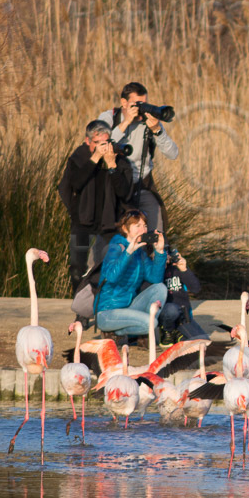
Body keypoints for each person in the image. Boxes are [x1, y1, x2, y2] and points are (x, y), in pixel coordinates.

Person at [58, 120, 135, 290]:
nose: (103, 147)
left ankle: (103, 301)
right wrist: (94, 159)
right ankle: (79, 302)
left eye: (106, 142)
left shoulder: (119, 159)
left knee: (110, 265)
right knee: (77, 268)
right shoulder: (79, 158)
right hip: (82, 222)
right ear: (88, 141)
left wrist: (112, 166)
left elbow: (124, 193)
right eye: (98, 143)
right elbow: (73, 184)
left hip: (110, 223)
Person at [95, 82, 178, 234]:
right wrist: (125, 122)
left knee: (156, 232)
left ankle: (156, 248)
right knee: (110, 235)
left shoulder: (149, 121)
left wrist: (157, 131)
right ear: (124, 103)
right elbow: (100, 147)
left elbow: (173, 154)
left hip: (142, 184)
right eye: (136, 104)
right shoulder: (109, 117)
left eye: (144, 104)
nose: (141, 108)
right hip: (114, 184)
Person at [94, 210, 177, 339]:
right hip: (107, 312)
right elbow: (111, 277)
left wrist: (159, 252)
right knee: (151, 323)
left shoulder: (140, 253)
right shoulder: (116, 247)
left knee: (160, 288)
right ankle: (116, 332)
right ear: (125, 228)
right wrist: (128, 252)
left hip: (128, 309)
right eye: (138, 226)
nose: (143, 230)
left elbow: (155, 279)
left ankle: (128, 332)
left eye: (145, 226)